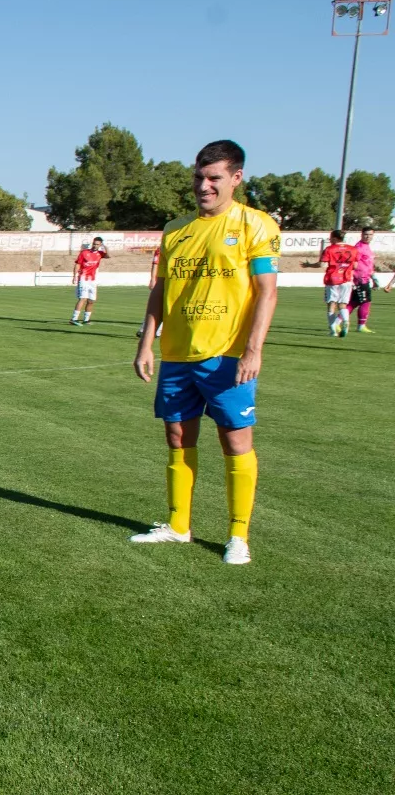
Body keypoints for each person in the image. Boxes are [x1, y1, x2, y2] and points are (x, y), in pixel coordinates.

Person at [131, 140, 279, 566]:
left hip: (229, 354)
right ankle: (179, 526)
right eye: (199, 177)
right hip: (178, 355)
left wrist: (254, 350)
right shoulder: (176, 229)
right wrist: (147, 340)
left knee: (234, 441)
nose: (204, 186)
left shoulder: (256, 225)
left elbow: (267, 293)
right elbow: (161, 289)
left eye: (214, 178)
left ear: (236, 178)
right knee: (177, 437)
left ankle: (238, 535)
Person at [319, 231, 356, 338]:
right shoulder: (353, 249)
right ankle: (345, 321)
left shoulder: (330, 249)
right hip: (347, 279)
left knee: (331, 304)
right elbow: (355, 265)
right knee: (342, 305)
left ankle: (333, 330)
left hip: (332, 279)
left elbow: (322, 264)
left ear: (335, 238)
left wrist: (309, 265)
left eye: (331, 238)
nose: (330, 240)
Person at [71, 235, 110, 325]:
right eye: (94, 244)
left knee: (91, 300)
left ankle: (86, 320)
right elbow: (77, 264)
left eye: (97, 244)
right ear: (92, 243)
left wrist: (105, 247)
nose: (95, 245)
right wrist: (74, 276)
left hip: (93, 279)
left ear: (100, 245)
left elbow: (108, 256)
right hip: (83, 278)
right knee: (83, 298)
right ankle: (74, 318)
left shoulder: (100, 253)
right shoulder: (84, 252)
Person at [350, 226, 376, 333]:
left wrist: (373, 277)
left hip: (365, 279)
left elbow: (368, 265)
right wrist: (352, 278)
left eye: (370, 234)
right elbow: (353, 264)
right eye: (366, 234)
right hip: (360, 279)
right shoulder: (358, 248)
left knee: (354, 302)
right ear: (361, 235)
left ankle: (337, 321)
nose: (368, 236)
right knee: (366, 302)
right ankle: (361, 326)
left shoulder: (367, 247)